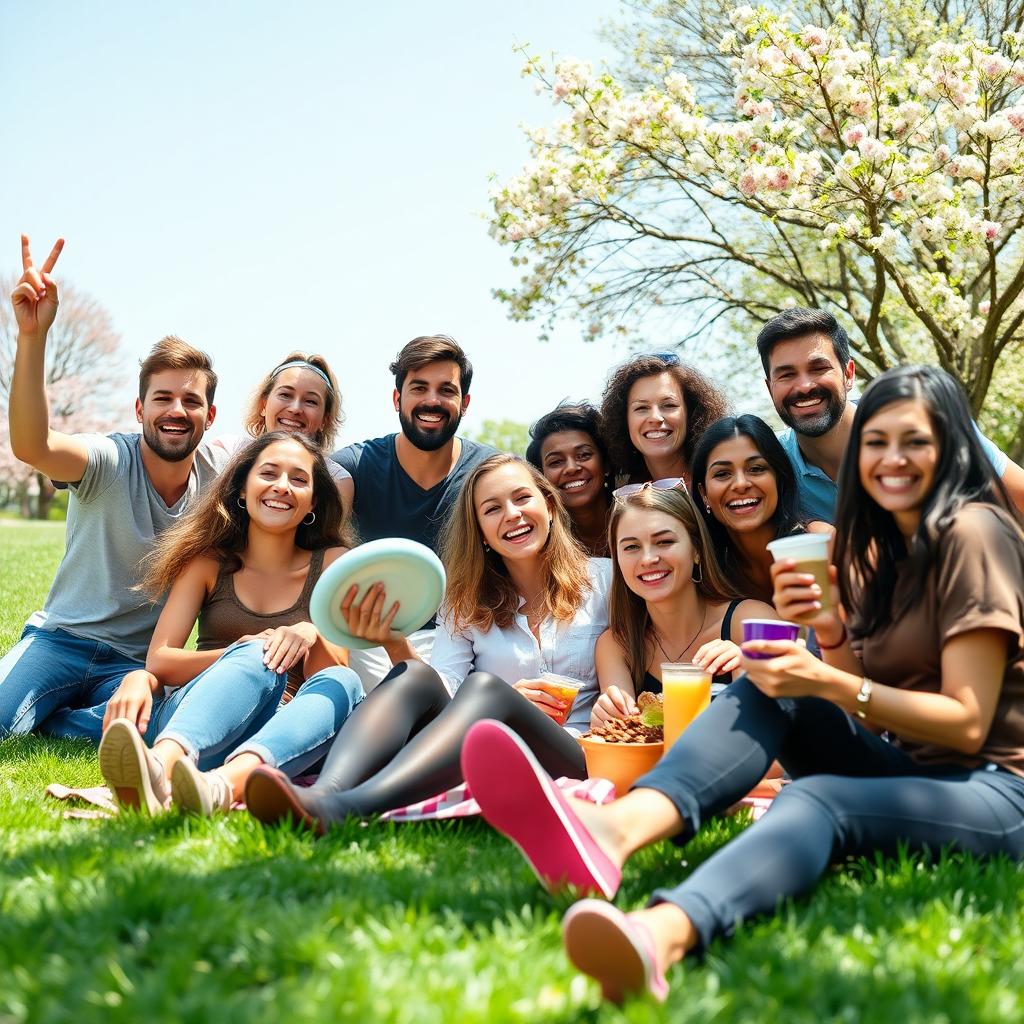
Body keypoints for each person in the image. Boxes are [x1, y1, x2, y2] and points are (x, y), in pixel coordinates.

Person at [462, 364, 1024, 1005]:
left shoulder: (975, 534)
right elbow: (862, 703)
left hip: (997, 791)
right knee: (769, 676)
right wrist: (831, 635)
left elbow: (969, 722)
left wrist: (829, 682)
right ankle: (612, 831)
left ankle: (659, 933)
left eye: (914, 441)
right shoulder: (872, 553)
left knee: (816, 801)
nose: (891, 458)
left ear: (951, 447)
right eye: (876, 442)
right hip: (906, 766)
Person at [243, 453, 612, 829]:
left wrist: (508, 700)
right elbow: (443, 695)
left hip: (577, 751)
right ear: (480, 530)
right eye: (492, 509)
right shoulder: (465, 599)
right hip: (494, 750)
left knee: (486, 687)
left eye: (522, 498)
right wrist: (393, 641)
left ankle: (350, 806)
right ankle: (325, 793)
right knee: (415, 676)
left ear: (548, 505)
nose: (512, 514)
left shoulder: (606, 581)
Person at [0, 235, 230, 742]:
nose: (176, 411)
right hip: (59, 640)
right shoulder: (107, 459)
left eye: (190, 401)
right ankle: (46, 713)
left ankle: (55, 721)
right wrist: (33, 337)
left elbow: (285, 456)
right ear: (139, 409)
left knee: (161, 728)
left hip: (132, 664)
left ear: (210, 416)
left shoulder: (219, 475)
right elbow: (33, 445)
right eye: (162, 398)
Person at [98, 431, 363, 816]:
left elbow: (331, 677)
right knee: (259, 653)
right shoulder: (207, 562)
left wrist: (310, 632)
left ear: (313, 503)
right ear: (242, 488)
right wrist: (243, 651)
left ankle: (216, 788)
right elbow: (160, 660)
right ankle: (161, 763)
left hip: (285, 732)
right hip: (198, 720)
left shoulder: (335, 563)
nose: (282, 487)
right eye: (269, 473)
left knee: (348, 682)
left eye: (299, 479)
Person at [330, 334, 495, 690]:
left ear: (465, 402)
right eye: (419, 388)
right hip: (367, 639)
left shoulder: (489, 471)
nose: (432, 400)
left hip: (465, 640)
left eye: (446, 390)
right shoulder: (353, 467)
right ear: (397, 398)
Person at [758, 307, 1024, 520]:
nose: (804, 386)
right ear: (770, 389)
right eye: (787, 374)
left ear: (848, 374)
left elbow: (1018, 496)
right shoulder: (769, 467)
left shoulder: (926, 423)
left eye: (818, 368)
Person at [591, 485, 777, 728]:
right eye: (631, 547)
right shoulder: (616, 645)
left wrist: (750, 670)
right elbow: (625, 736)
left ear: (697, 550)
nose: (648, 559)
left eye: (665, 541)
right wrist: (606, 719)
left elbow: (787, 729)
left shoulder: (753, 619)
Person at [691, 414, 832, 604]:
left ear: (779, 479)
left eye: (756, 469)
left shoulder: (821, 543)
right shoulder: (707, 577)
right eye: (723, 474)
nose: (741, 484)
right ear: (703, 493)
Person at [238, 351, 353, 505]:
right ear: (263, 405)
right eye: (285, 395)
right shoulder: (230, 453)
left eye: (311, 401)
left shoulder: (337, 481)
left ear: (325, 419)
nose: (295, 409)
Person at [599, 353, 728, 490]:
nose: (655, 417)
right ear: (623, 420)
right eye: (642, 408)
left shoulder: (719, 486)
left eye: (669, 405)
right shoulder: (623, 499)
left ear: (692, 413)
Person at [526, 401, 612, 557]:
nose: (571, 468)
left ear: (606, 463)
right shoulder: (538, 547)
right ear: (541, 477)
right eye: (556, 462)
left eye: (584, 455)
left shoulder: (642, 516)